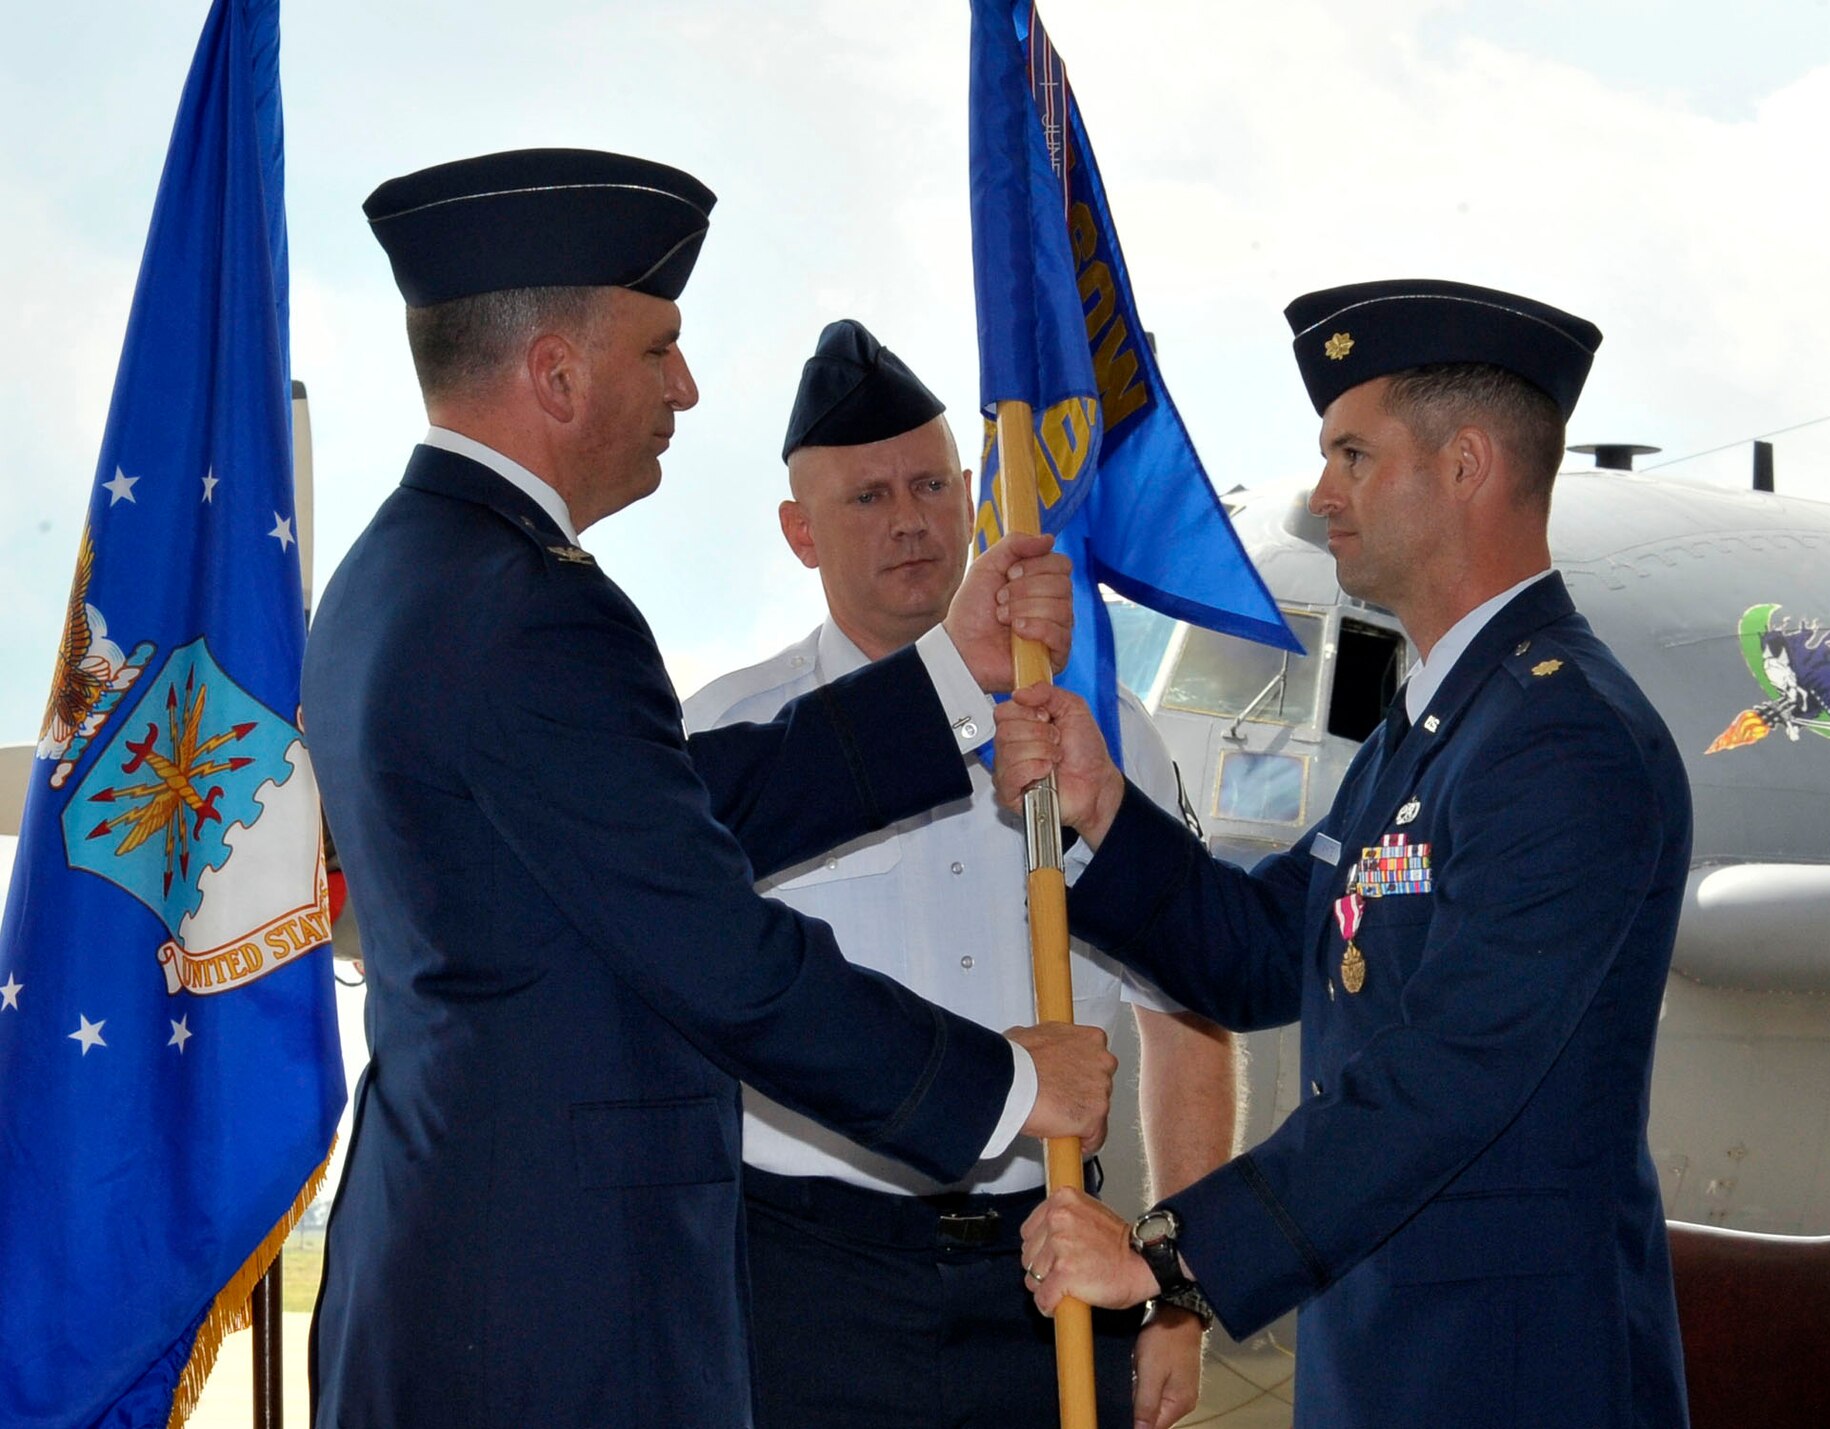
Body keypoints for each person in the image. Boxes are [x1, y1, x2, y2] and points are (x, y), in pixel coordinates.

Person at [302, 149, 1116, 1429]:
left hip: (459, 1260)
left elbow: (663, 810)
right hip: (547, 1316)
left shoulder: (403, 571)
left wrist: (948, 678)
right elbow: (720, 953)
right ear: (556, 374)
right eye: (658, 350)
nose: (684, 387)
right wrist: (1011, 1085)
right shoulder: (533, 611)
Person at [996, 279, 1696, 1427]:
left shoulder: (1562, 737)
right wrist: (1102, 809)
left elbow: (1449, 1075)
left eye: (1352, 456)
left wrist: (1175, 1258)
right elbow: (1269, 949)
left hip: (1514, 1377)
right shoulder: (1434, 728)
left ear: (1464, 465)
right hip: (1385, 1360)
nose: (1323, 494)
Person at [683, 319, 1239, 1429]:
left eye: (932, 484)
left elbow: (1189, 1014)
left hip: (1043, 1280)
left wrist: (1179, 1294)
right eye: (867, 497)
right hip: (800, 1282)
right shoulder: (723, 742)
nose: (910, 521)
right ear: (798, 531)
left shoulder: (1094, 732)